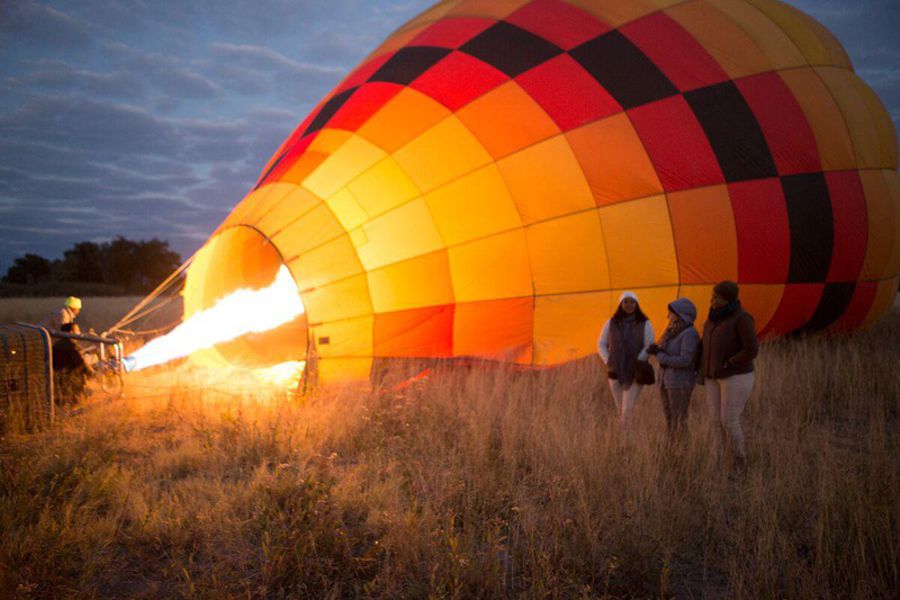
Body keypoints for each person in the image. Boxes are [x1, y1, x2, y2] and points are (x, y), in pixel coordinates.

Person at [700, 281, 758, 474]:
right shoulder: (711, 319)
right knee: (715, 420)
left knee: (729, 419)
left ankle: (738, 461)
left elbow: (751, 349)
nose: (712, 300)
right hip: (712, 377)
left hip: (735, 376)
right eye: (712, 295)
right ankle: (717, 459)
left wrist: (730, 362)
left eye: (716, 297)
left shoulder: (742, 318)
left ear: (728, 299)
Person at [597, 291, 654, 434]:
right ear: (621, 304)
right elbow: (601, 344)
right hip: (614, 371)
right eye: (626, 302)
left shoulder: (645, 324)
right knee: (620, 410)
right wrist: (608, 359)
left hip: (635, 372)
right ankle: (624, 442)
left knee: (627, 410)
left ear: (637, 304)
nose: (629, 305)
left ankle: (625, 444)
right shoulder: (610, 323)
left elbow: (649, 345)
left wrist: (638, 360)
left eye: (632, 302)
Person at [647, 298, 700, 443]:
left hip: (680, 383)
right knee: (670, 419)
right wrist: (657, 349)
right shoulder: (671, 331)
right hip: (666, 381)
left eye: (670, 313)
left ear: (680, 314)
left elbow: (685, 360)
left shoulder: (689, 333)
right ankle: (673, 448)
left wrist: (660, 355)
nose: (667, 316)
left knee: (679, 419)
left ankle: (682, 449)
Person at [52, 322, 93, 404]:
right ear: (71, 333)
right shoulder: (70, 347)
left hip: (59, 384)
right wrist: (92, 373)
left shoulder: (56, 345)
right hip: (70, 385)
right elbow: (81, 364)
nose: (79, 333)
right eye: (77, 330)